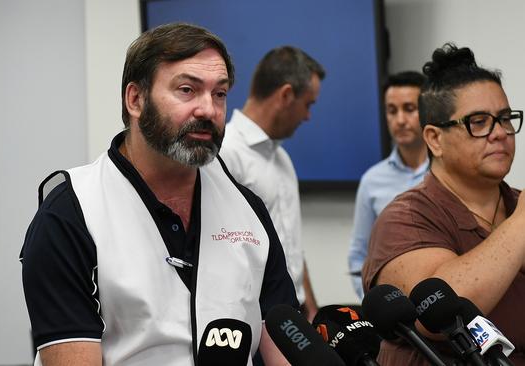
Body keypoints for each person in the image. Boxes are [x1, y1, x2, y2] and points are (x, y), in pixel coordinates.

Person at [20, 22, 299, 366]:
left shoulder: (248, 210)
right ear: (135, 99)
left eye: (220, 93)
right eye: (187, 90)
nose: (208, 110)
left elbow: (285, 347)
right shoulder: (70, 215)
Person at [362, 43, 525, 365]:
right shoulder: (405, 217)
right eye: (478, 122)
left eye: (505, 118)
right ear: (435, 139)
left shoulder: (515, 204)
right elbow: (441, 313)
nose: (500, 133)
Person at [219, 46, 324, 321]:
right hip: (255, 319)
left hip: (294, 314)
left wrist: (311, 309)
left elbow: (290, 242)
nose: (308, 116)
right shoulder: (225, 153)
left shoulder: (282, 158)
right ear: (286, 95)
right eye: (308, 104)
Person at [348, 71, 429, 299]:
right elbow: (359, 255)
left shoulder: (449, 173)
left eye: (409, 109)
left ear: (428, 110)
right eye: (392, 111)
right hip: (395, 311)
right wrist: (375, 304)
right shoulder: (372, 180)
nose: (400, 120)